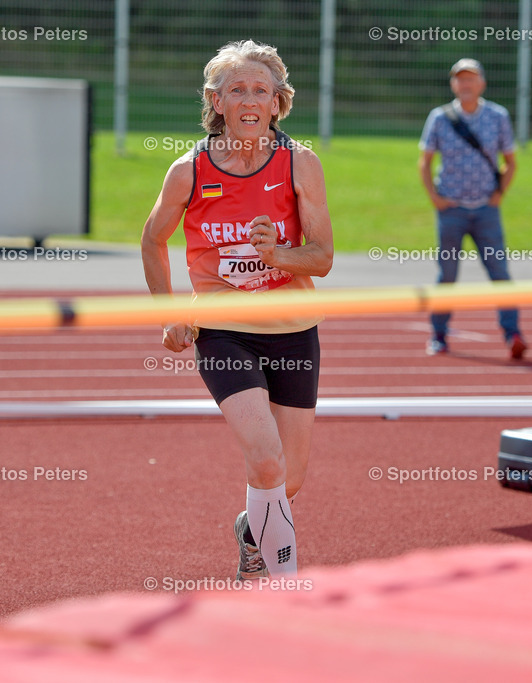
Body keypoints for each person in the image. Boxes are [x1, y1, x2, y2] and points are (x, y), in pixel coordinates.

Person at [140, 40, 333, 580]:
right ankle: (277, 580)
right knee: (266, 456)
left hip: (293, 329)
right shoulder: (189, 171)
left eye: (261, 90)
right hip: (224, 331)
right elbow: (152, 241)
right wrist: (170, 313)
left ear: (278, 103)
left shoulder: (301, 164)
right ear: (215, 100)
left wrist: (277, 256)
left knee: (289, 478)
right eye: (237, 89)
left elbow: (322, 259)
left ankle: (252, 527)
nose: (250, 100)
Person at [418, 58, 525, 359]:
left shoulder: (498, 116)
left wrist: (499, 194)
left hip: (486, 211)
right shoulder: (439, 118)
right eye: (460, 79)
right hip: (451, 210)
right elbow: (424, 162)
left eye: (471, 79)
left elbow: (511, 161)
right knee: (447, 276)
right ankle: (438, 335)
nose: (465, 84)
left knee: (500, 273)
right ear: (453, 84)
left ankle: (513, 333)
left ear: (482, 83)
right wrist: (435, 198)